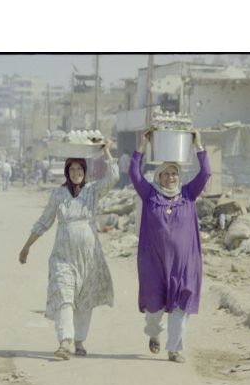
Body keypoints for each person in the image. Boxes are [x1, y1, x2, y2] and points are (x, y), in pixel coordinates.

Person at [19, 143, 119, 359]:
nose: (76, 173)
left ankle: (80, 340)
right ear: (67, 172)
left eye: (80, 170)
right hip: (63, 256)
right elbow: (44, 221)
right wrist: (27, 246)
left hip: (89, 257)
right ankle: (65, 341)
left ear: (85, 172)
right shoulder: (58, 195)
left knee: (85, 299)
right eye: (72, 170)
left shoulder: (93, 191)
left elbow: (113, 178)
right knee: (64, 296)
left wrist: (106, 151)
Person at [129, 130, 211, 363]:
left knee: (180, 307)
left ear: (179, 176)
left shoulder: (188, 194)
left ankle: (174, 349)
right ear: (158, 176)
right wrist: (142, 144)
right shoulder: (149, 195)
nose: (170, 178)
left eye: (174, 173)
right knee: (154, 309)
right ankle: (154, 334)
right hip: (154, 262)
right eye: (165, 174)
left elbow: (205, 173)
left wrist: (198, 144)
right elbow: (134, 173)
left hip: (184, 263)